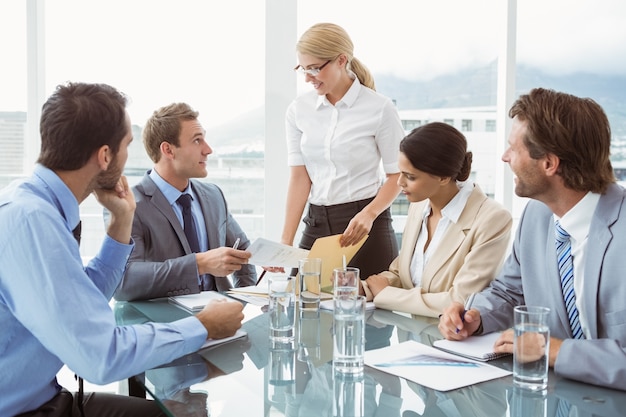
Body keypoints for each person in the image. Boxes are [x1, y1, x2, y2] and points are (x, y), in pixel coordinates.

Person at [0, 82, 244, 417]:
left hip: (43, 396)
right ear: (104, 156)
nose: (130, 156)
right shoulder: (33, 222)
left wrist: (121, 220)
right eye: (127, 145)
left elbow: (83, 299)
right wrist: (203, 326)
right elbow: (101, 357)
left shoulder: (32, 203)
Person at [439, 87, 626, 390]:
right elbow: (511, 291)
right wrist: (476, 316)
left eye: (514, 148)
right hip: (555, 397)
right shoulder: (535, 216)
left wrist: (553, 350)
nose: (504, 157)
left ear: (549, 163)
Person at [281, 22, 405, 279]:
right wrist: (285, 242)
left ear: (341, 60)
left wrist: (369, 213)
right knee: (303, 306)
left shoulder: (379, 108)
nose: (307, 78)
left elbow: (398, 175)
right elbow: (300, 177)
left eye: (314, 68)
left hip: (365, 225)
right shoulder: (298, 110)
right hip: (316, 222)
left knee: (372, 313)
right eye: (303, 69)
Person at [361, 122, 512, 318]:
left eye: (410, 177)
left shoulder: (492, 219)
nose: (399, 183)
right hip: (411, 336)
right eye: (400, 173)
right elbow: (403, 274)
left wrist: (386, 294)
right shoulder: (419, 206)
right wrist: (363, 288)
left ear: (443, 177)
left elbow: (459, 301)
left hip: (452, 341)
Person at [113, 102, 256, 301]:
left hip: (224, 320)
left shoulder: (214, 195)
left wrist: (243, 301)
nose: (208, 150)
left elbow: (243, 253)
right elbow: (124, 282)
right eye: (197, 140)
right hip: (165, 325)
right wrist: (199, 264)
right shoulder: (129, 205)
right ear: (168, 150)